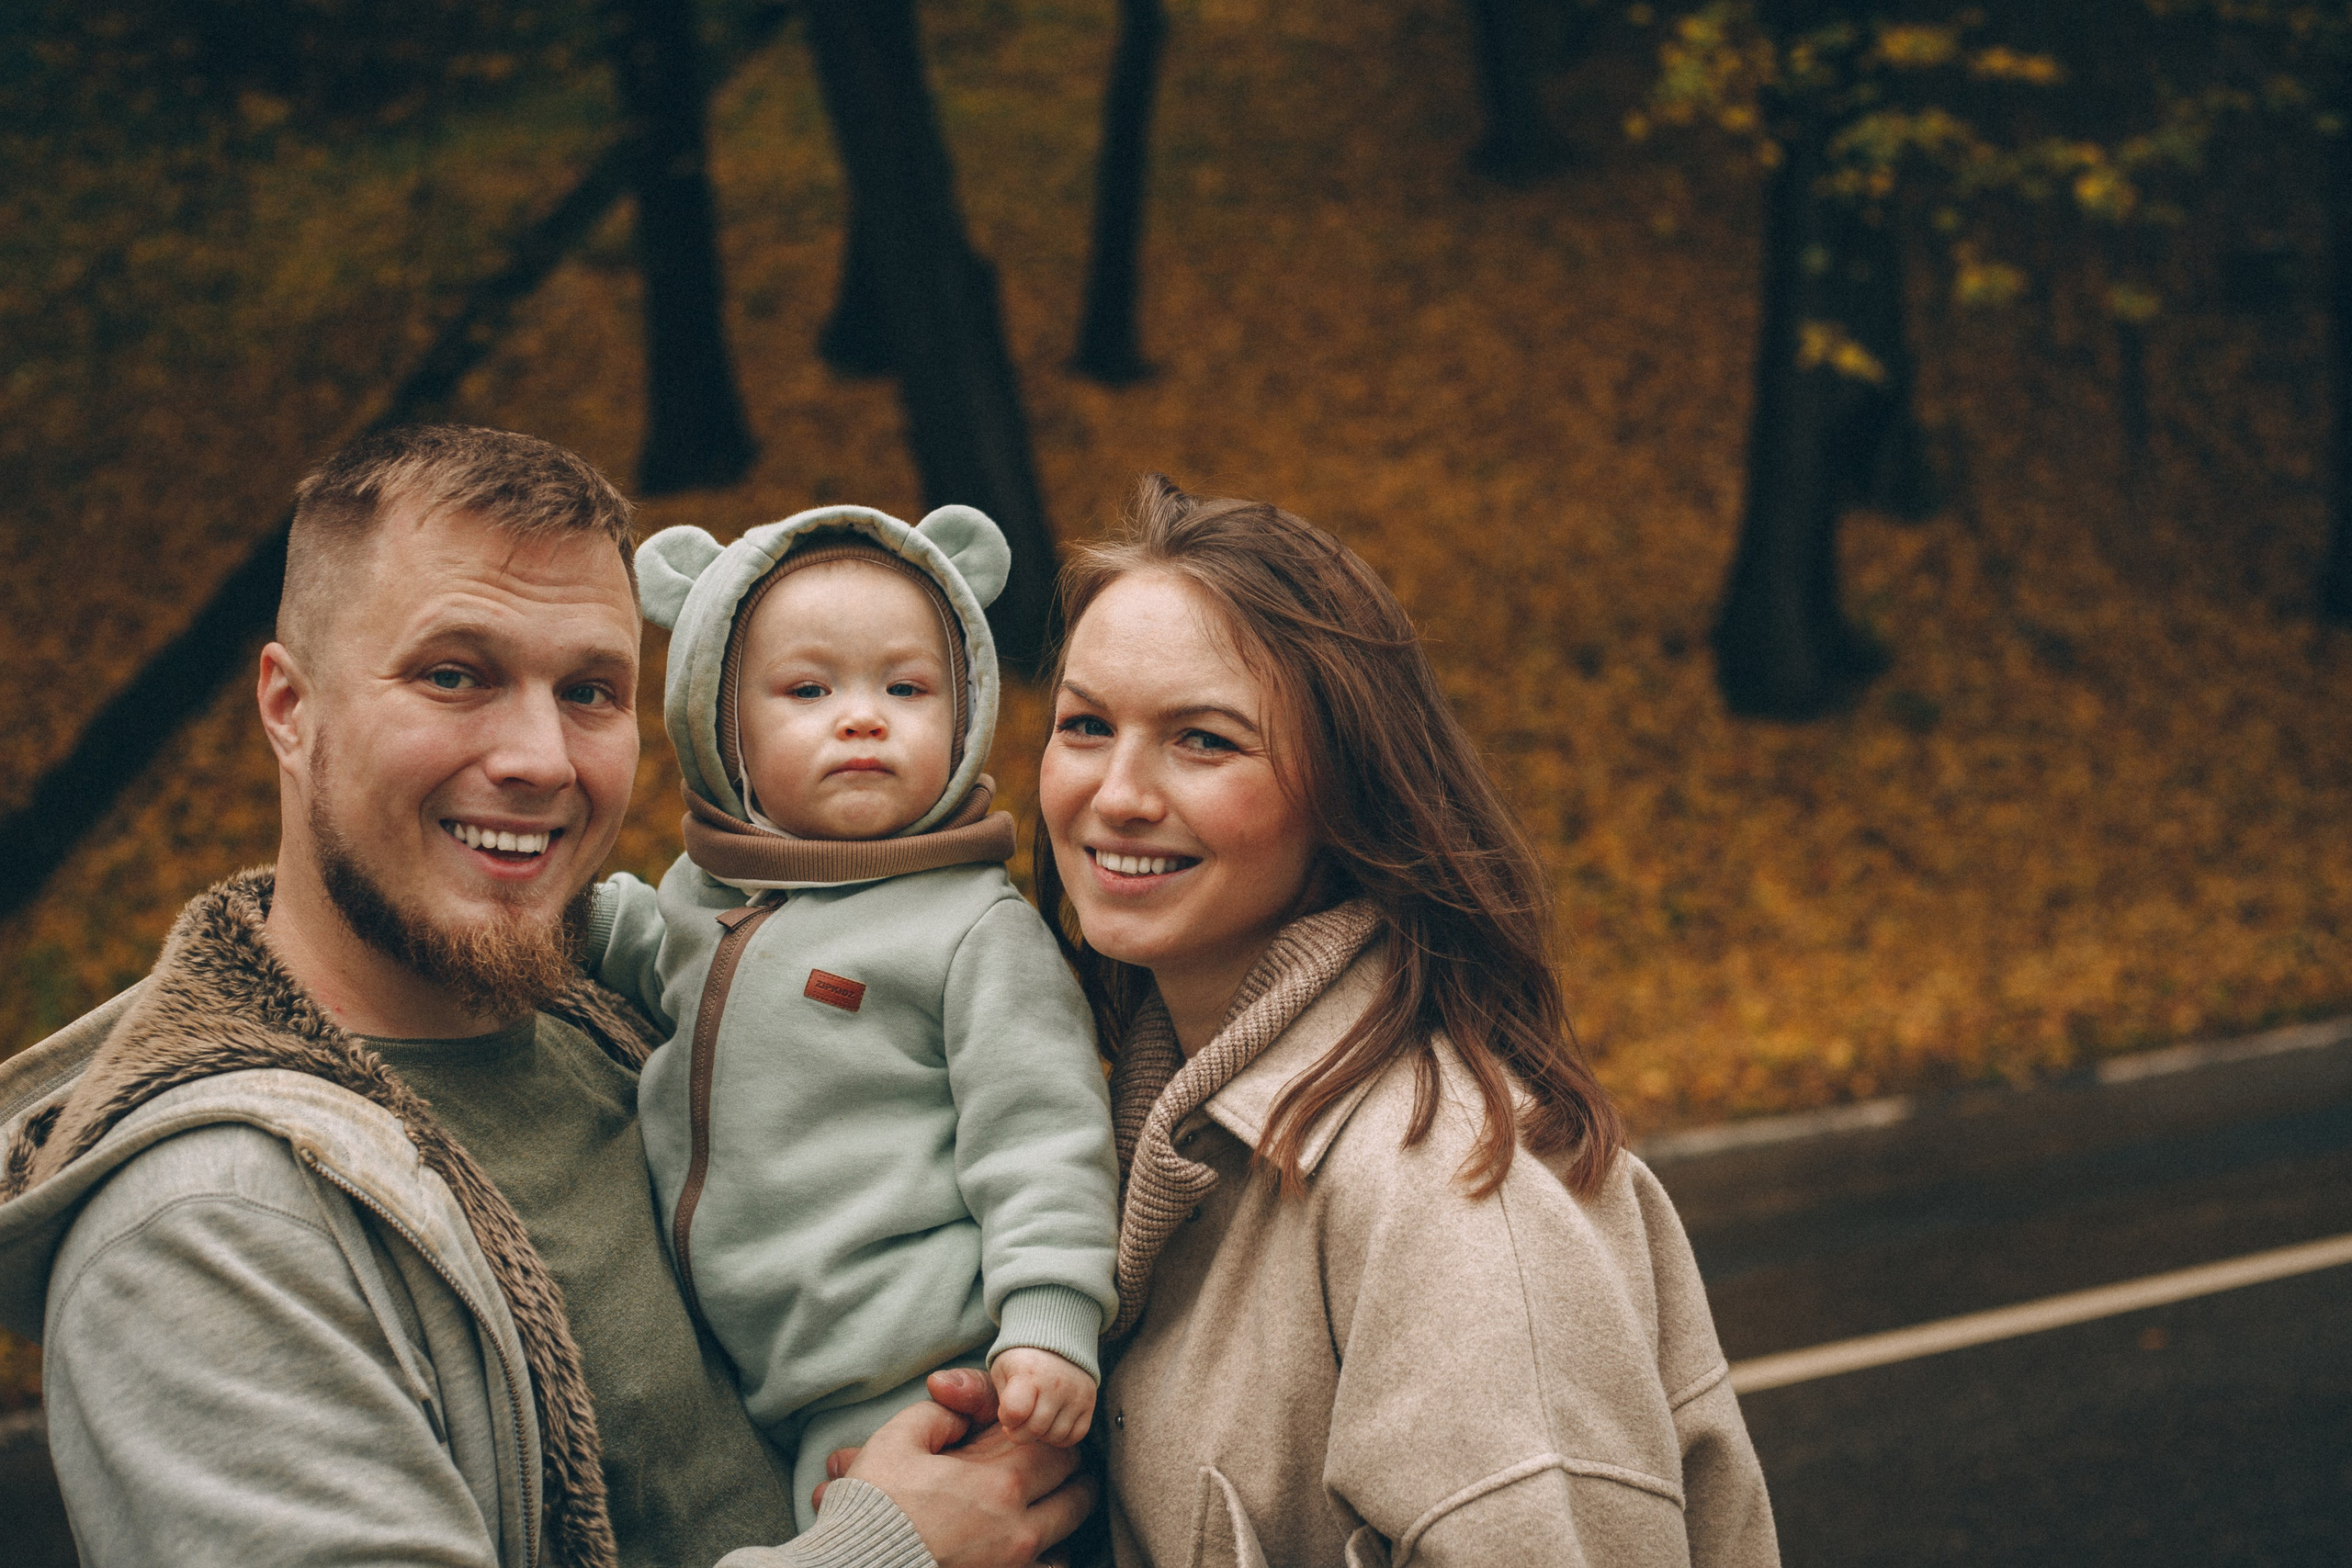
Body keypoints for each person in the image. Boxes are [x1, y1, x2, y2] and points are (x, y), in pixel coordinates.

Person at [0, 424, 1090, 1568]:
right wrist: (889, 1549)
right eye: (453, 675)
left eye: (587, 691)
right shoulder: (210, 1224)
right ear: (288, 705)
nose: (538, 758)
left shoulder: (629, 1023)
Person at [1033, 476, 1781, 1567]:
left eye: (1203, 740)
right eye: (1086, 725)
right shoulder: (1125, 1146)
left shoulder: (1449, 1189)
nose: (1119, 792)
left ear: (1347, 789)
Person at [585, 506, 1118, 1529]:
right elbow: (674, 969)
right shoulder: (707, 894)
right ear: (719, 725)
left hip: (926, 1376)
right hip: (762, 1386)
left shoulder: (970, 930)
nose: (863, 717)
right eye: (809, 690)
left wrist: (1047, 1322)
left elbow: (1045, 1135)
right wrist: (589, 917)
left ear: (962, 720)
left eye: (906, 688)